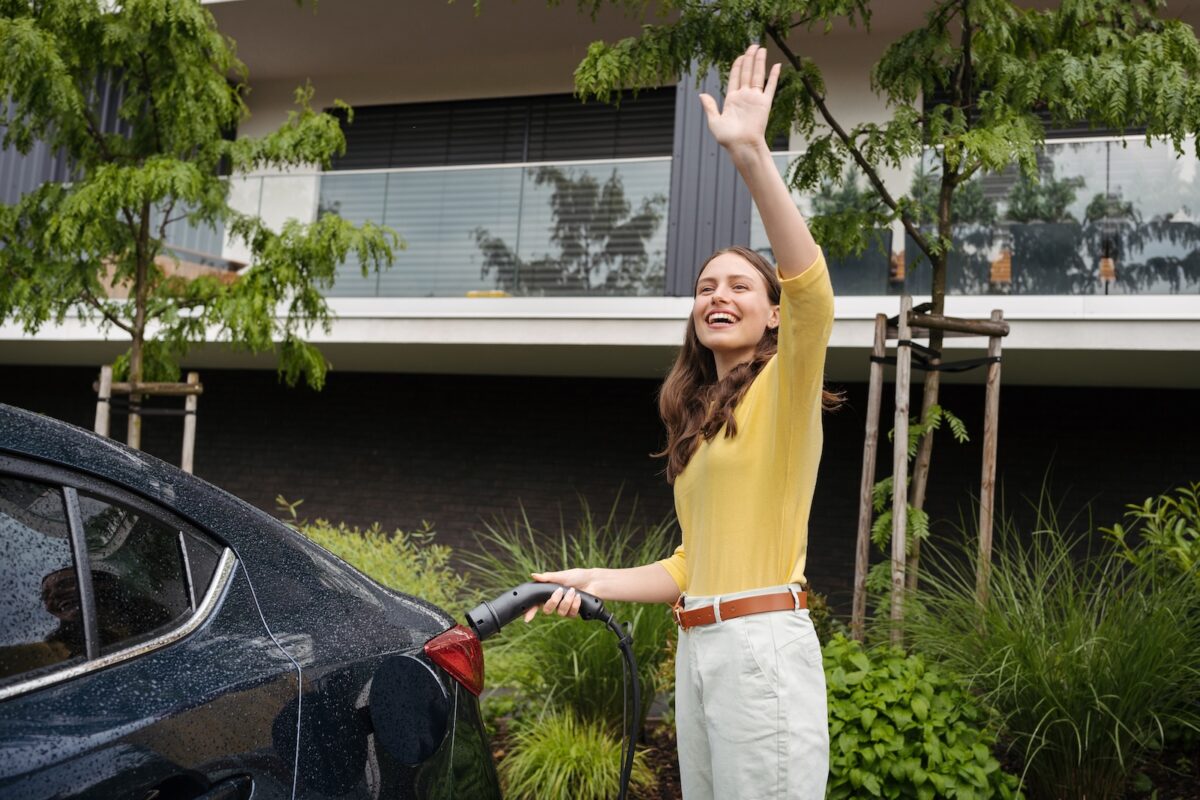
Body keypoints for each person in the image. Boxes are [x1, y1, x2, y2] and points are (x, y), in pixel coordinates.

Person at [526, 43, 836, 799]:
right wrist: (591, 581)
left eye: (738, 285)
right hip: (702, 647)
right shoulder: (701, 427)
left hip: (761, 648)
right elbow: (690, 567)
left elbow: (813, 292)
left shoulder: (785, 386)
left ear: (769, 316)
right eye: (704, 287)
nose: (716, 295)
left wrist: (752, 156)